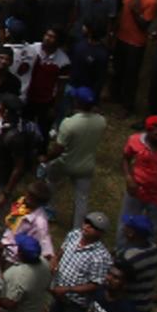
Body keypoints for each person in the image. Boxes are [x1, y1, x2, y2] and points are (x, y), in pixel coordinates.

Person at [52, 211, 114, 312]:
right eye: (87, 222)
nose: (86, 227)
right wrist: (55, 260)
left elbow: (95, 285)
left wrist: (68, 289)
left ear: (100, 233)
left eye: (92, 226)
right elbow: (62, 250)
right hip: (58, 292)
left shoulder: (101, 257)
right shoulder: (74, 235)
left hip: (75, 302)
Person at [49, 86, 107, 228]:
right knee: (82, 199)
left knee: (50, 181)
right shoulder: (101, 121)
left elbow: (58, 148)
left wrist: (46, 158)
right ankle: (77, 228)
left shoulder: (69, 123)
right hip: (86, 165)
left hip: (65, 163)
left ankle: (48, 211)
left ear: (77, 102)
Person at [0, 233, 51, 312]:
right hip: (36, 311)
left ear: (20, 253)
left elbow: (9, 304)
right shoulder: (44, 263)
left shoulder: (15, 274)